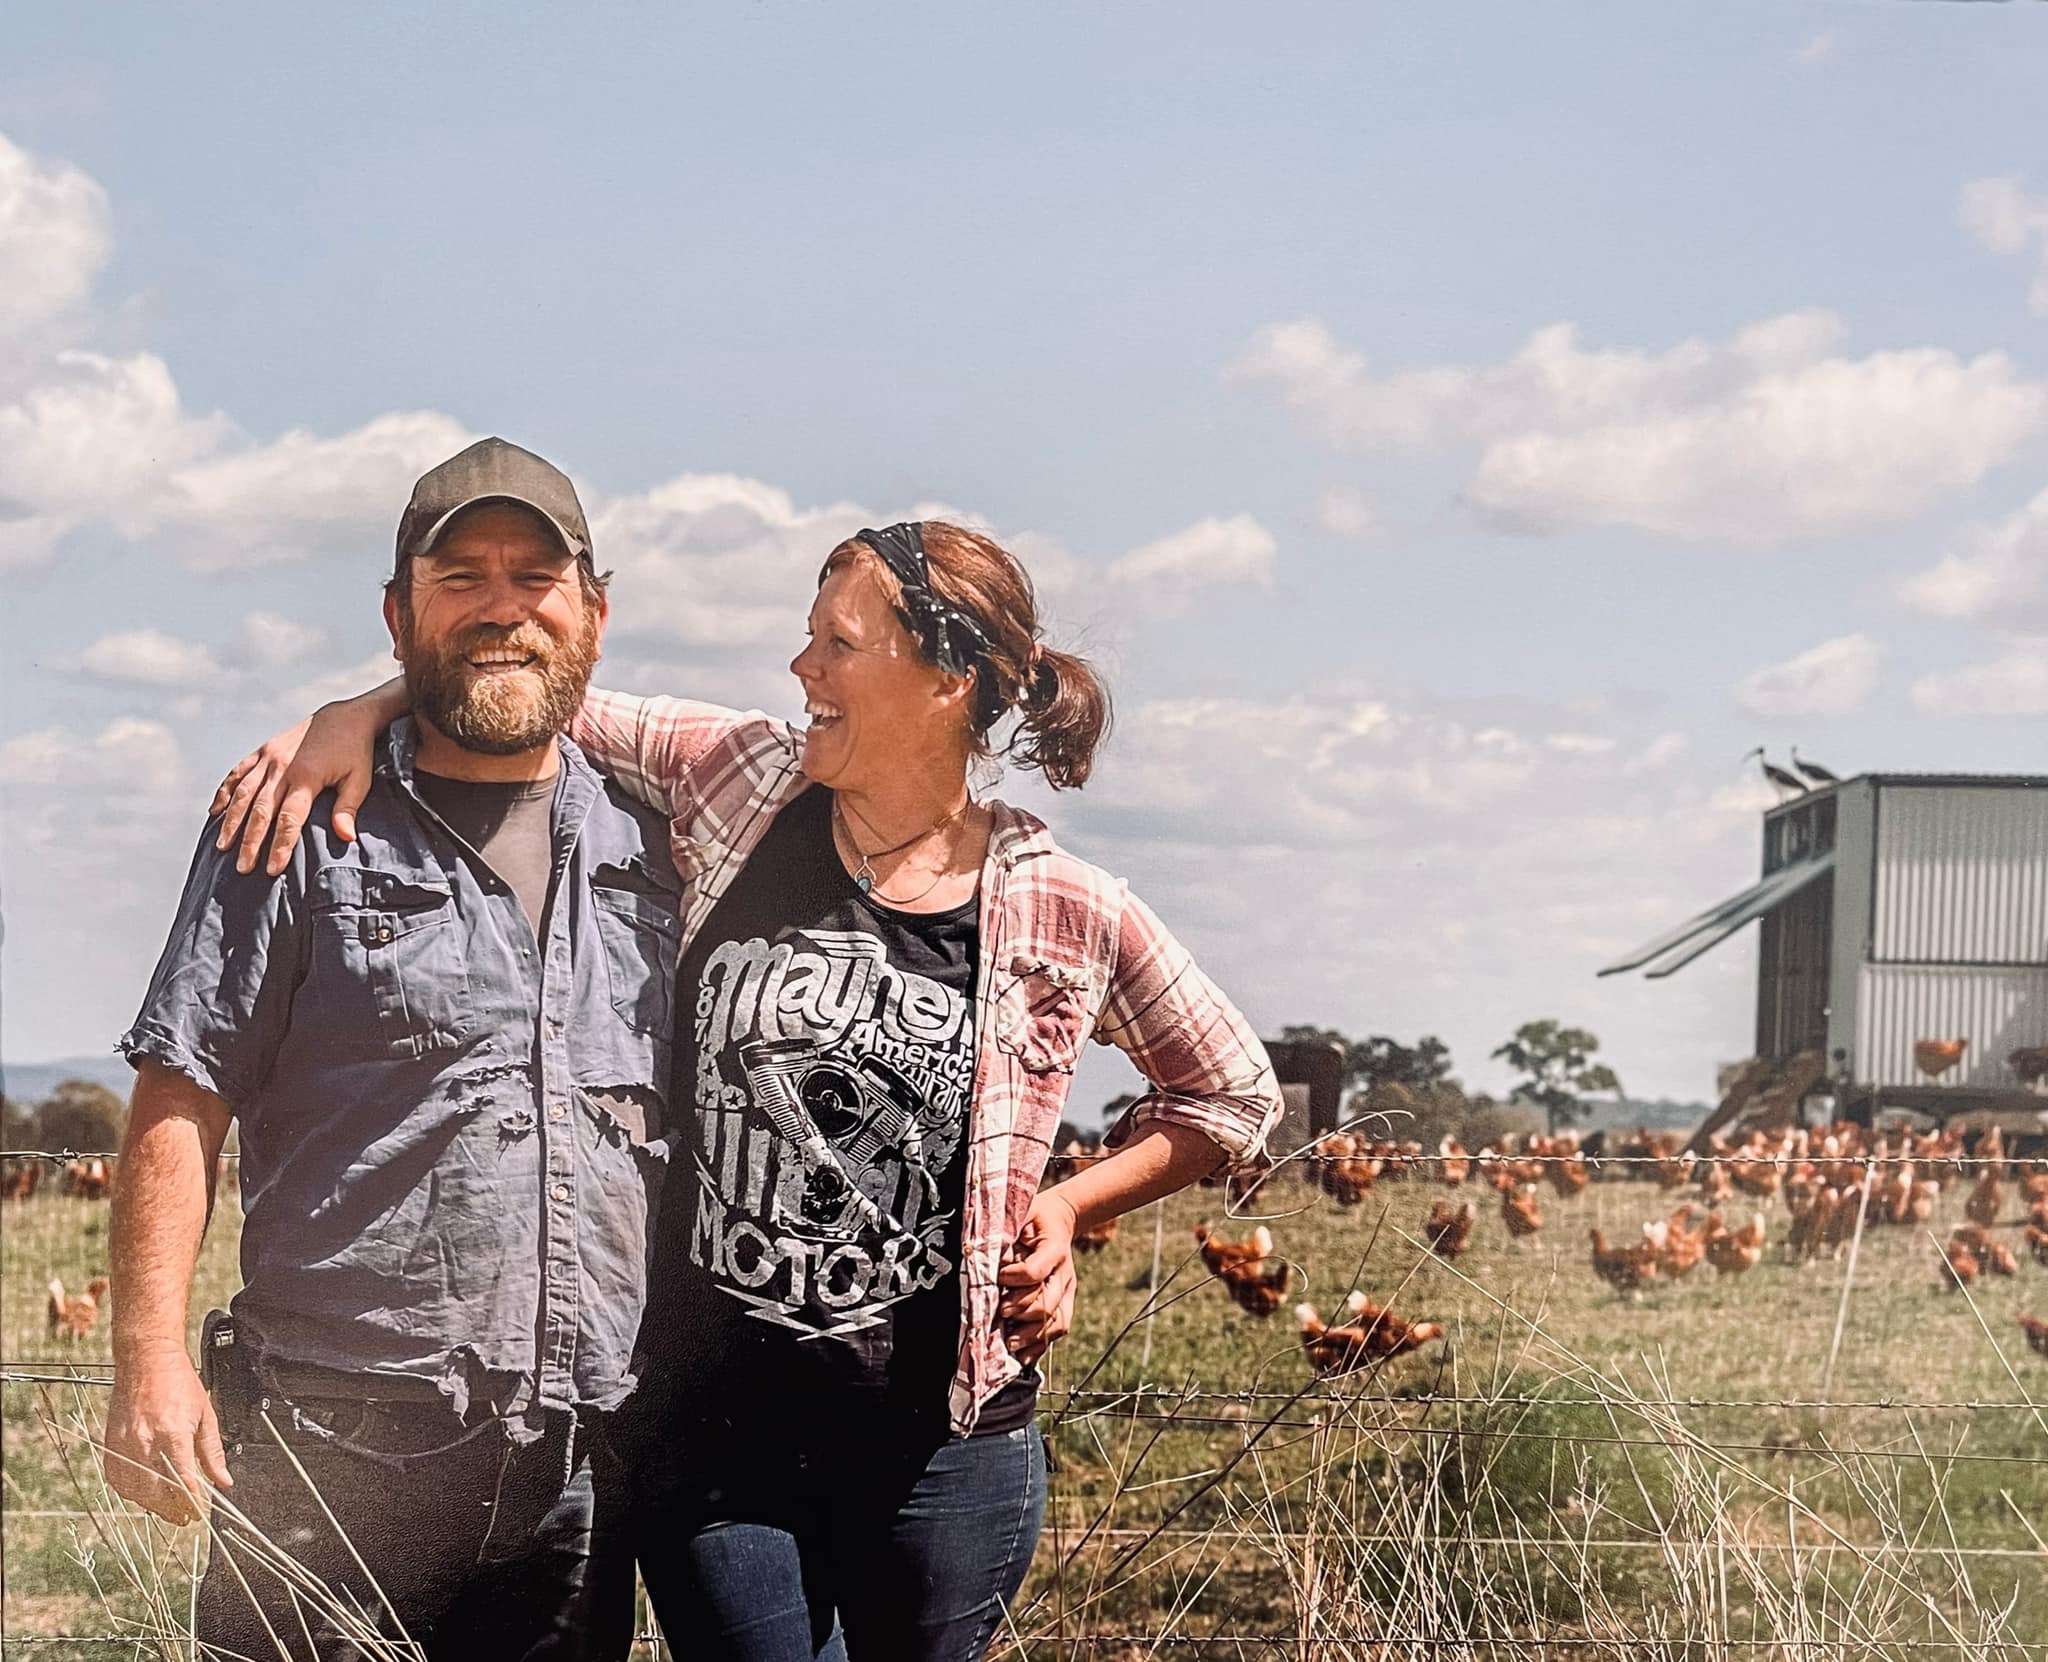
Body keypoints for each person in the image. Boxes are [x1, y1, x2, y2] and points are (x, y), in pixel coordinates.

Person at [216, 518, 1282, 1661]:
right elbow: (526, 686)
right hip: (712, 1432)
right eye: (805, 637)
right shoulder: (740, 778)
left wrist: (1071, 1207)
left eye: (836, 643)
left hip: (944, 1451)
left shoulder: (1059, 903)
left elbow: (1229, 1093)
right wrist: (358, 712)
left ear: (946, 678)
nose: (800, 669)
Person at [106, 438, 678, 1662]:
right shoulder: (296, 823)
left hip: (577, 1461)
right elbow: (180, 1087)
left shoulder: (659, 841)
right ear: (396, 610)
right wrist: (148, 1358)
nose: (501, 608)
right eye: (458, 576)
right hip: (332, 1444)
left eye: (536, 575)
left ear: (594, 610)